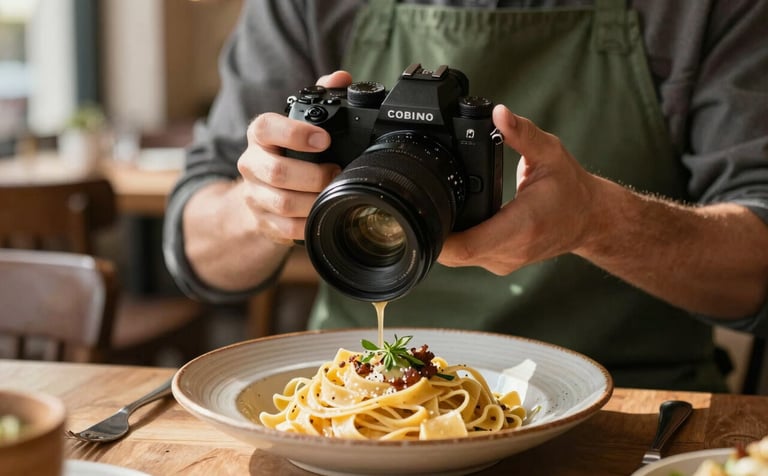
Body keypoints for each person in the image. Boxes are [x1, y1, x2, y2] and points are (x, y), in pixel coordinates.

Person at [163, 0, 768, 392]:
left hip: (633, 402)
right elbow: (194, 249)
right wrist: (257, 210)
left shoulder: (701, 12)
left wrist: (597, 222)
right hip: (357, 392)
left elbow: (758, 270)